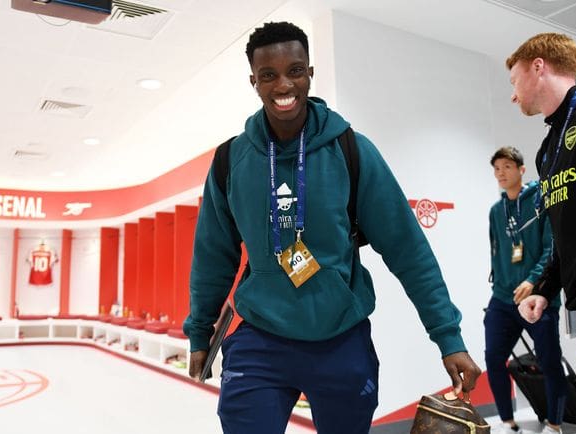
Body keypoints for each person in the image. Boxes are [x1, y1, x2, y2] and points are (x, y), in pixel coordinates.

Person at [184, 21, 481, 434]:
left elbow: (408, 250)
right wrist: (200, 333)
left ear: (310, 73)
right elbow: (212, 257)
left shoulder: (352, 150)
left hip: (340, 340)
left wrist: (448, 338)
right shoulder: (231, 161)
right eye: (268, 75)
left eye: (295, 70)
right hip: (260, 340)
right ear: (254, 81)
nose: (283, 84)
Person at [507, 33, 576, 434]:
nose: (514, 96)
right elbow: (565, 236)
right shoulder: (547, 148)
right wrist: (544, 287)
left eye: (514, 80)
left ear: (539, 66)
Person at [485, 147, 567, 434]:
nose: (500, 173)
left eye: (507, 166)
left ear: (521, 170)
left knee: (549, 361)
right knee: (494, 358)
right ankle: (507, 422)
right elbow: (497, 253)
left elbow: (551, 248)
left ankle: (555, 425)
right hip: (502, 299)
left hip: (537, 297)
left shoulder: (541, 202)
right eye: (496, 168)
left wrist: (533, 281)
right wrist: (500, 285)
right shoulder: (496, 212)